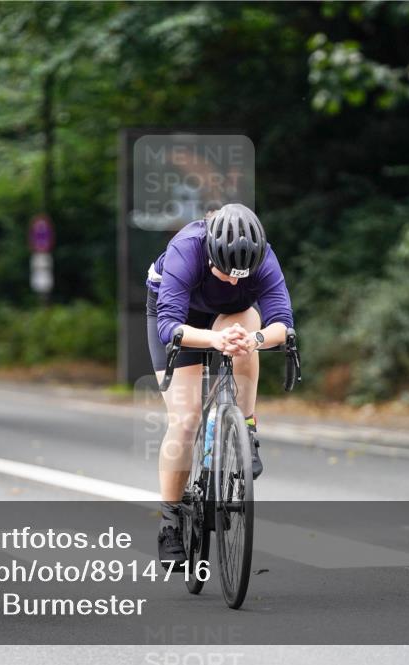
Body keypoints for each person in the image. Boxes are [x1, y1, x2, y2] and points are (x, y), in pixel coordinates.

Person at [146, 203, 294, 564]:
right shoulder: (187, 248)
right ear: (210, 251)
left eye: (241, 275)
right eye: (224, 271)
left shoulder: (262, 258)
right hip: (178, 315)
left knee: (243, 334)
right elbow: (168, 327)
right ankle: (169, 521)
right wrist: (213, 341)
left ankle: (246, 425)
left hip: (230, 313)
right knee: (185, 418)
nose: (232, 280)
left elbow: (282, 323)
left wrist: (254, 340)